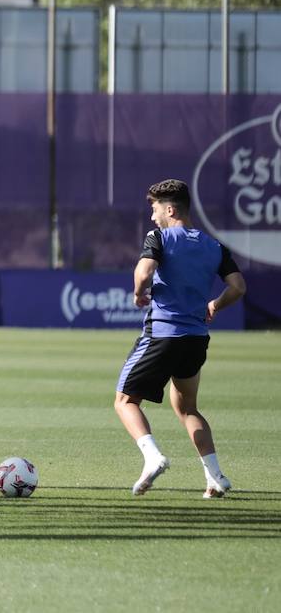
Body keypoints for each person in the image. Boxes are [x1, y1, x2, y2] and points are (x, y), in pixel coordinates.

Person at [115, 179, 245, 497]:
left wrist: (137, 293)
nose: (152, 217)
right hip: (196, 339)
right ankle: (215, 477)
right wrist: (214, 304)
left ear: (170, 209)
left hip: (163, 334)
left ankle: (152, 458)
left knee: (124, 401)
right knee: (188, 408)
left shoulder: (159, 237)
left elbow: (144, 272)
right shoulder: (213, 245)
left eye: (155, 209)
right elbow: (239, 287)